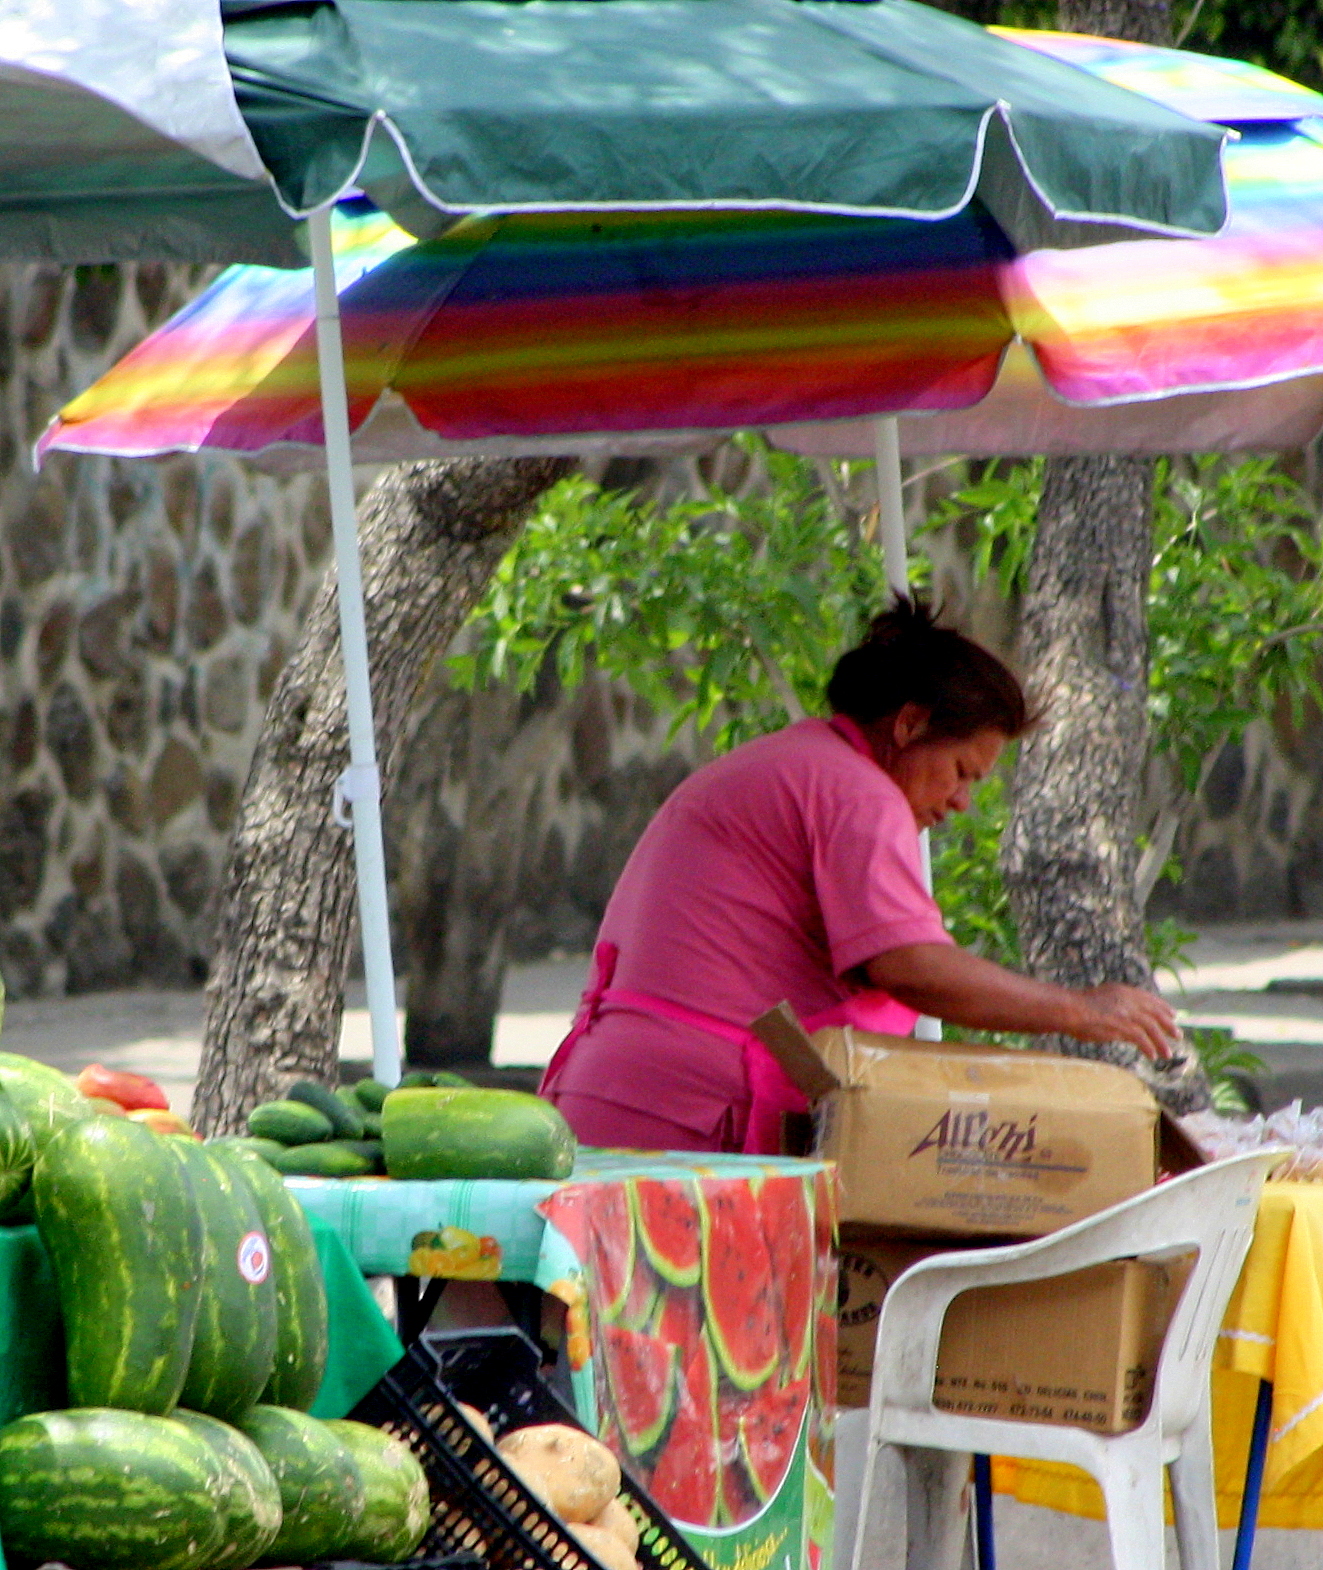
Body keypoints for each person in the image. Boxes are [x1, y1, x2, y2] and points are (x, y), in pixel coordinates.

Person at [540, 596, 1178, 1153]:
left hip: (619, 1089)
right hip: (687, 1110)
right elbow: (910, 966)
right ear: (910, 724)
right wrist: (1078, 1009)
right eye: (961, 772)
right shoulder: (857, 791)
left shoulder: (798, 761)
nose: (961, 802)